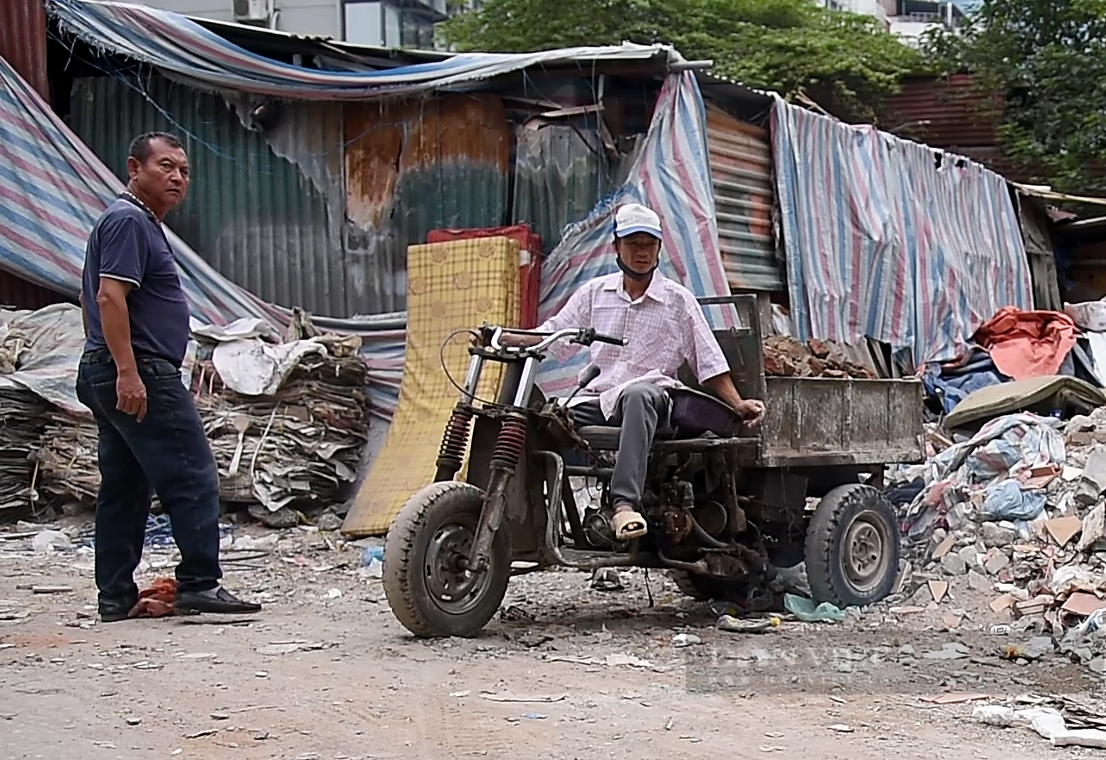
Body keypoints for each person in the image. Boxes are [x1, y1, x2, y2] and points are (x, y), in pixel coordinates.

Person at [76, 132, 261, 621]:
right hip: (140, 371)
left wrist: (108, 363)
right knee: (193, 473)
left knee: (125, 485)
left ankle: (114, 595)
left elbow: (91, 301)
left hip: (114, 367)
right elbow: (108, 299)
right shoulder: (129, 221)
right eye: (165, 166)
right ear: (134, 168)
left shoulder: (133, 224)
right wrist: (128, 372)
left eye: (184, 170)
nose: (178, 177)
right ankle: (200, 582)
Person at [501, 203, 765, 541]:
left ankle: (624, 505)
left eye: (649, 245)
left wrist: (738, 402)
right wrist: (506, 336)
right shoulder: (595, 294)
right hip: (601, 400)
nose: (641, 253)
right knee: (543, 416)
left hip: (655, 401)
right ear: (616, 248)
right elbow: (554, 336)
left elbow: (708, 363)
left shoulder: (677, 300)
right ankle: (533, 518)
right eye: (633, 244)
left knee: (639, 394)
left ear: (658, 249)